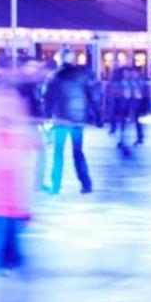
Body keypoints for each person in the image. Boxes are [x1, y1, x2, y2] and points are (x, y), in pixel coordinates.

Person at [0, 72, 41, 271]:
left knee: (6, 207)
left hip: (6, 157)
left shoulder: (1, 100)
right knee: (2, 208)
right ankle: (1, 251)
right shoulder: (0, 101)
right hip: (1, 157)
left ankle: (5, 251)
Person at [43, 48, 94, 194]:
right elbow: (92, 94)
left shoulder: (53, 76)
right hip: (78, 119)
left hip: (61, 119)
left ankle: (56, 185)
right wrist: (95, 115)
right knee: (78, 151)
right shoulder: (82, 75)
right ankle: (86, 183)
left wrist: (46, 115)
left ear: (60, 59)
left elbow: (47, 97)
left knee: (58, 152)